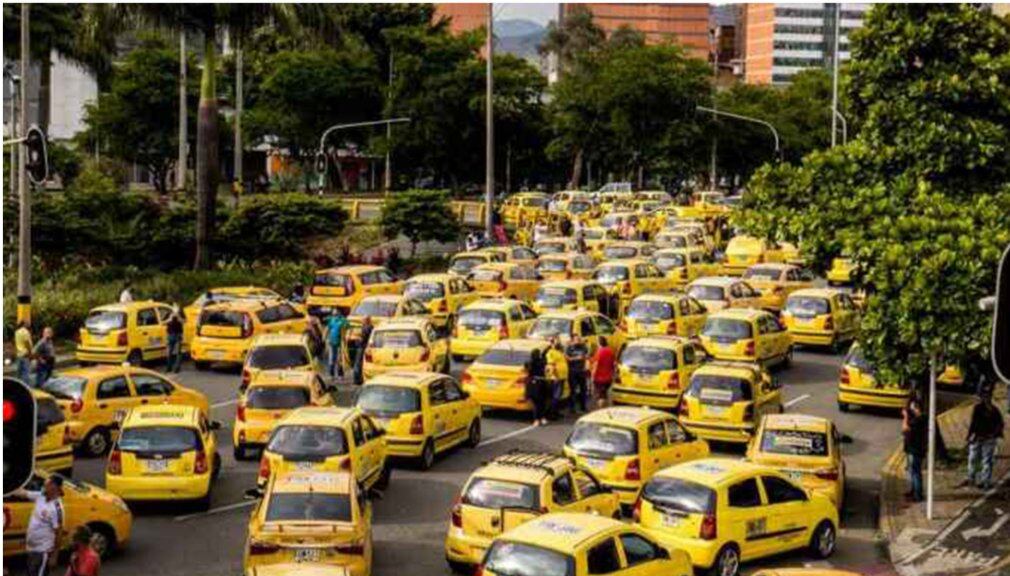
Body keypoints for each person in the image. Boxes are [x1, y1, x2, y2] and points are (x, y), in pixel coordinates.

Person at [961, 388, 1004, 490]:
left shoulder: (994, 410)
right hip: (978, 437)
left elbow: (1000, 424)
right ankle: (972, 477)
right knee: (973, 458)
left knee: (986, 460)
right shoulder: (978, 409)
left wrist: (994, 434)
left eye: (987, 397)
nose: (986, 399)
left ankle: (985, 481)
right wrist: (970, 436)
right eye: (984, 397)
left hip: (989, 438)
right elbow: (974, 423)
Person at [21, 475, 64, 576]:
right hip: (31, 548)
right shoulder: (40, 496)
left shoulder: (56, 509)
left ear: (54, 487)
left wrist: (54, 556)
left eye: (46, 485)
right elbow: (22, 493)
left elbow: (59, 532)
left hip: (43, 551)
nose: (43, 487)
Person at [902, 397, 927, 502]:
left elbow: (905, 428)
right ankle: (914, 491)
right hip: (912, 448)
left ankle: (917, 495)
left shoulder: (919, 420)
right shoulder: (920, 419)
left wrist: (906, 416)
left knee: (915, 472)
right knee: (913, 471)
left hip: (915, 449)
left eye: (913, 408)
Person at [565, 335, 590, 413]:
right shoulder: (569, 348)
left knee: (583, 390)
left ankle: (583, 407)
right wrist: (576, 358)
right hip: (572, 372)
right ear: (573, 340)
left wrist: (585, 358)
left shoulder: (583, 347)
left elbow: (587, 355)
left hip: (582, 371)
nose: (578, 341)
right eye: (576, 340)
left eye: (579, 339)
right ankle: (572, 408)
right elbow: (567, 358)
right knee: (573, 391)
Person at [590, 337, 616, 408]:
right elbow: (614, 364)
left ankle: (600, 410)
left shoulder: (599, 352)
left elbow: (596, 365)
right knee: (604, 394)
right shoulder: (610, 351)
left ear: (599, 343)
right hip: (608, 378)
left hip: (599, 378)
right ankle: (605, 409)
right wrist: (613, 374)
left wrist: (592, 377)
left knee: (600, 396)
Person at [545, 339, 567, 419]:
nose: (558, 343)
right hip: (556, 377)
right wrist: (554, 375)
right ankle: (552, 413)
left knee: (558, 396)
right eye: (556, 342)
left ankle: (556, 412)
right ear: (551, 344)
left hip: (562, 377)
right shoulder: (551, 353)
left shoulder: (559, 352)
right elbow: (551, 365)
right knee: (555, 396)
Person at [526, 349, 548, 426]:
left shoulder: (529, 363)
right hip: (541, 382)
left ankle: (536, 420)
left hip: (533, 384)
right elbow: (545, 362)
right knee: (542, 402)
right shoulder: (542, 362)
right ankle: (542, 418)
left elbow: (527, 370)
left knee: (535, 403)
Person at [325, 310, 348, 380]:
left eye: (335, 315)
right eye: (334, 315)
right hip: (332, 343)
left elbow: (346, 326)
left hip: (338, 343)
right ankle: (333, 374)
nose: (335, 316)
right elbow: (327, 329)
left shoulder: (340, 321)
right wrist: (325, 337)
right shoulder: (332, 321)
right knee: (333, 359)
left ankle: (339, 374)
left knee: (338, 359)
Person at [354, 317, 374, 386]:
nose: (362, 322)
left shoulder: (366, 328)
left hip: (362, 347)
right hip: (367, 347)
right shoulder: (371, 328)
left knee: (358, 363)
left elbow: (363, 338)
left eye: (363, 320)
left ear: (366, 321)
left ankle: (357, 379)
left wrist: (357, 341)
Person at [165, 306, 184, 374]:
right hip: (170, 334)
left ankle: (177, 368)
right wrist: (170, 318)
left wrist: (178, 316)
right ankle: (169, 367)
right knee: (169, 352)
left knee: (178, 352)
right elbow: (163, 322)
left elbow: (184, 321)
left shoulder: (181, 312)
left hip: (178, 334)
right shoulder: (169, 313)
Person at [14, 320, 33, 384]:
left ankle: (17, 386)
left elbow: (16, 343)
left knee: (19, 372)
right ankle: (25, 387)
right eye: (27, 323)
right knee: (26, 373)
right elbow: (27, 343)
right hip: (25, 354)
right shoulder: (25, 332)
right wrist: (30, 353)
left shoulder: (16, 332)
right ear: (24, 324)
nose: (28, 324)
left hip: (19, 354)